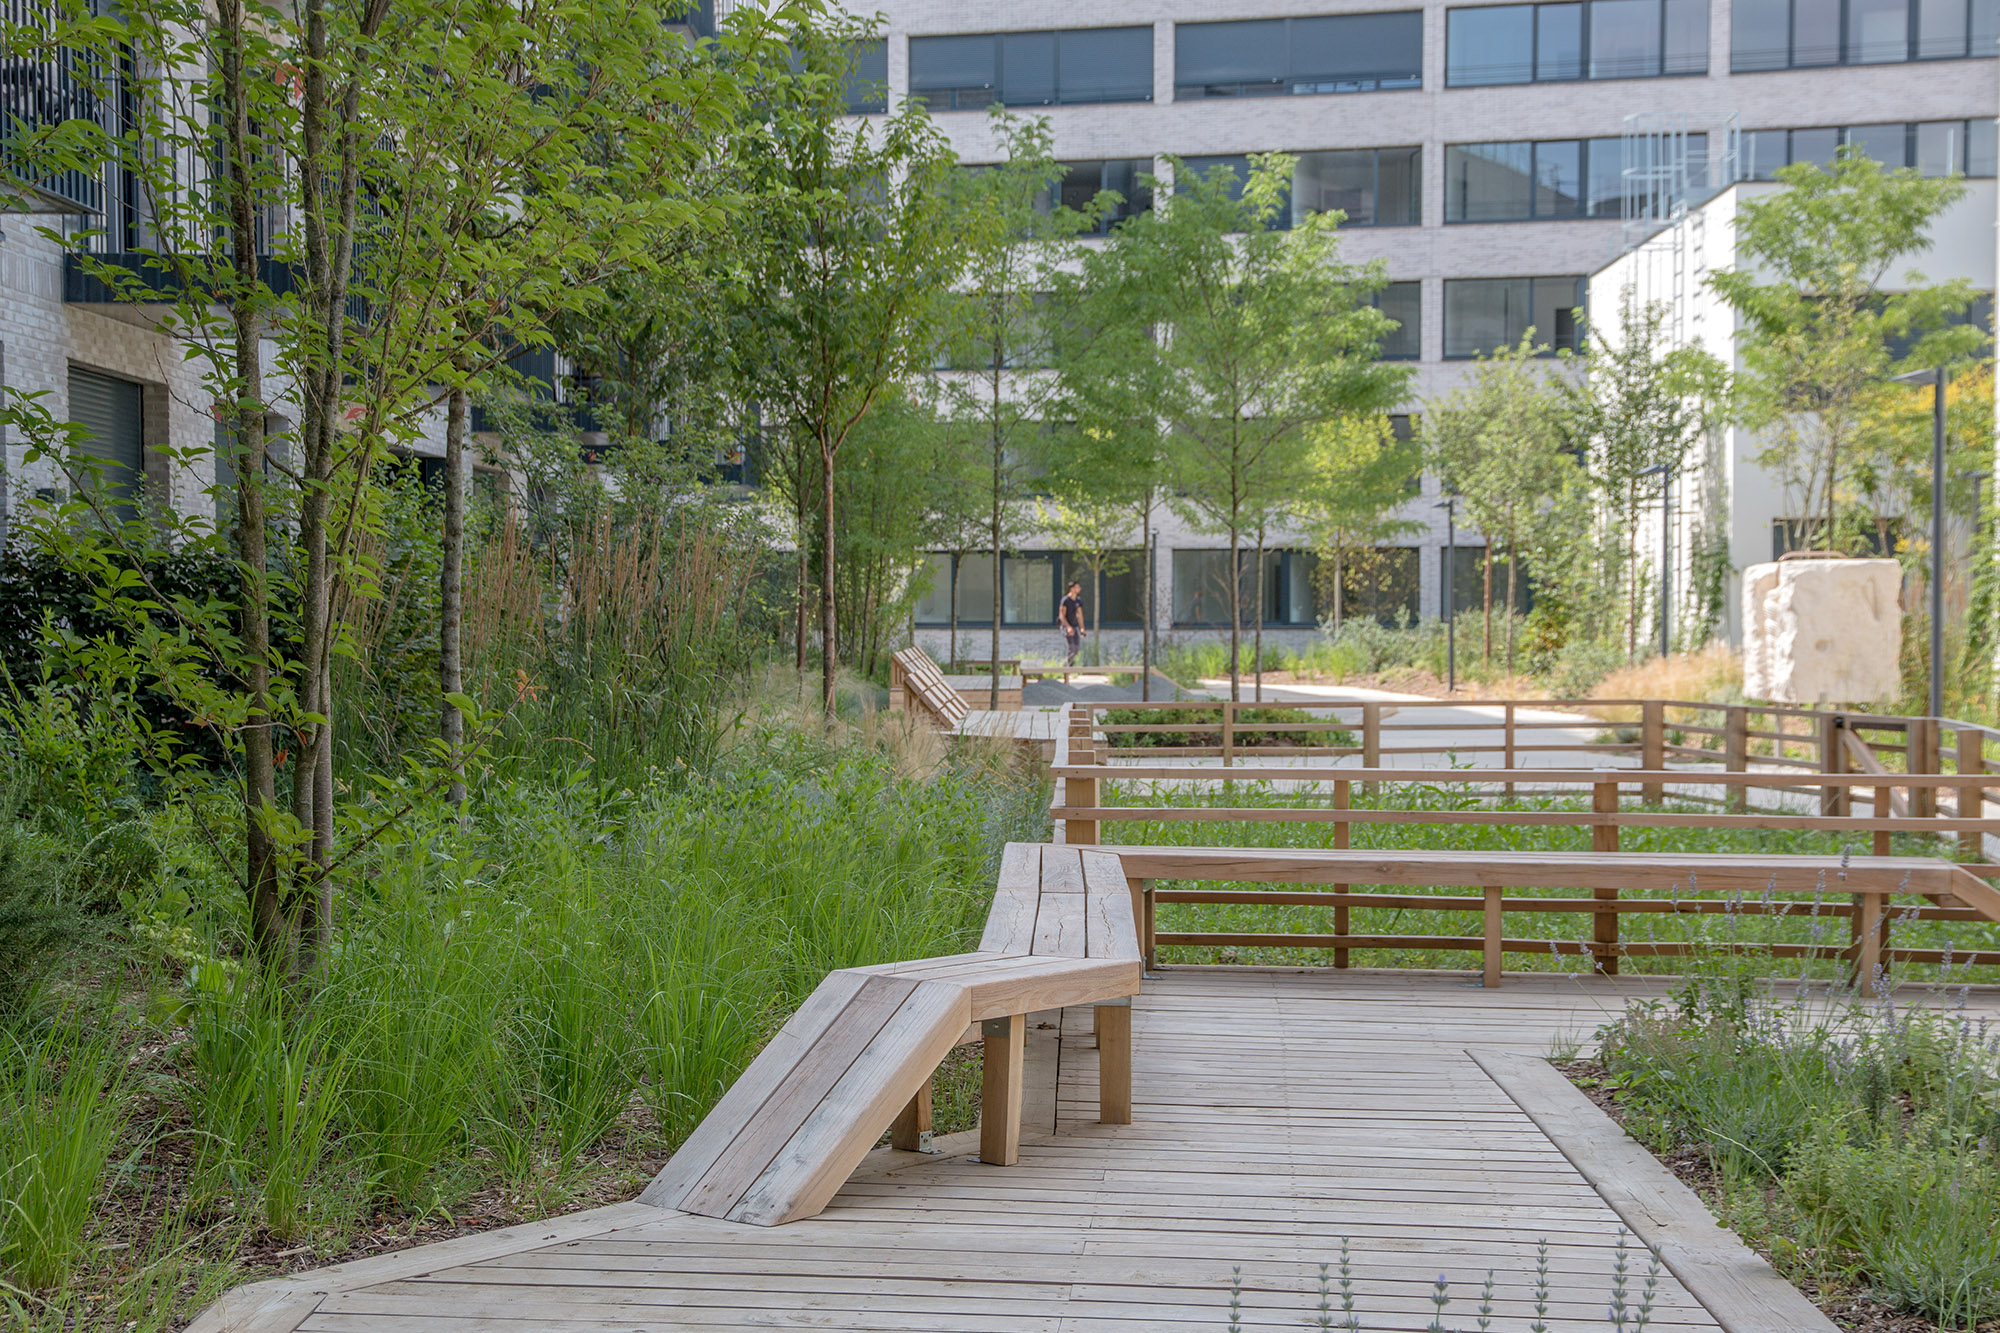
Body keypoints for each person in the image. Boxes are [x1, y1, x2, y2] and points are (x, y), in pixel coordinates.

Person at [1057, 580, 1085, 667]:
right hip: (1065, 625)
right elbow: (1061, 615)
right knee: (1071, 646)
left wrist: (1082, 628)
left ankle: (1067, 664)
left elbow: (1079, 615)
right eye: (1077, 587)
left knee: (1076, 647)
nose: (1079, 589)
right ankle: (1068, 666)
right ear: (1072, 589)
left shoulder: (1078, 600)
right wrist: (1068, 627)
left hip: (1074, 625)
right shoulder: (1065, 600)